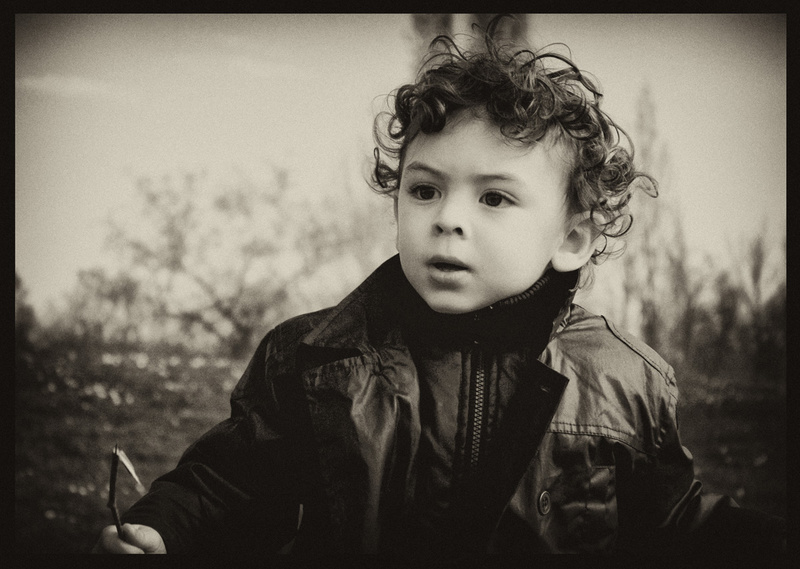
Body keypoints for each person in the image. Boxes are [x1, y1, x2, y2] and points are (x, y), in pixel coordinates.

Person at [93, 17, 785, 558]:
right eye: (425, 189)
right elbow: (228, 484)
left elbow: (674, 521)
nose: (448, 219)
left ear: (572, 238)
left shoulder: (622, 381)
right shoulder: (312, 359)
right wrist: (163, 526)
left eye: (494, 198)